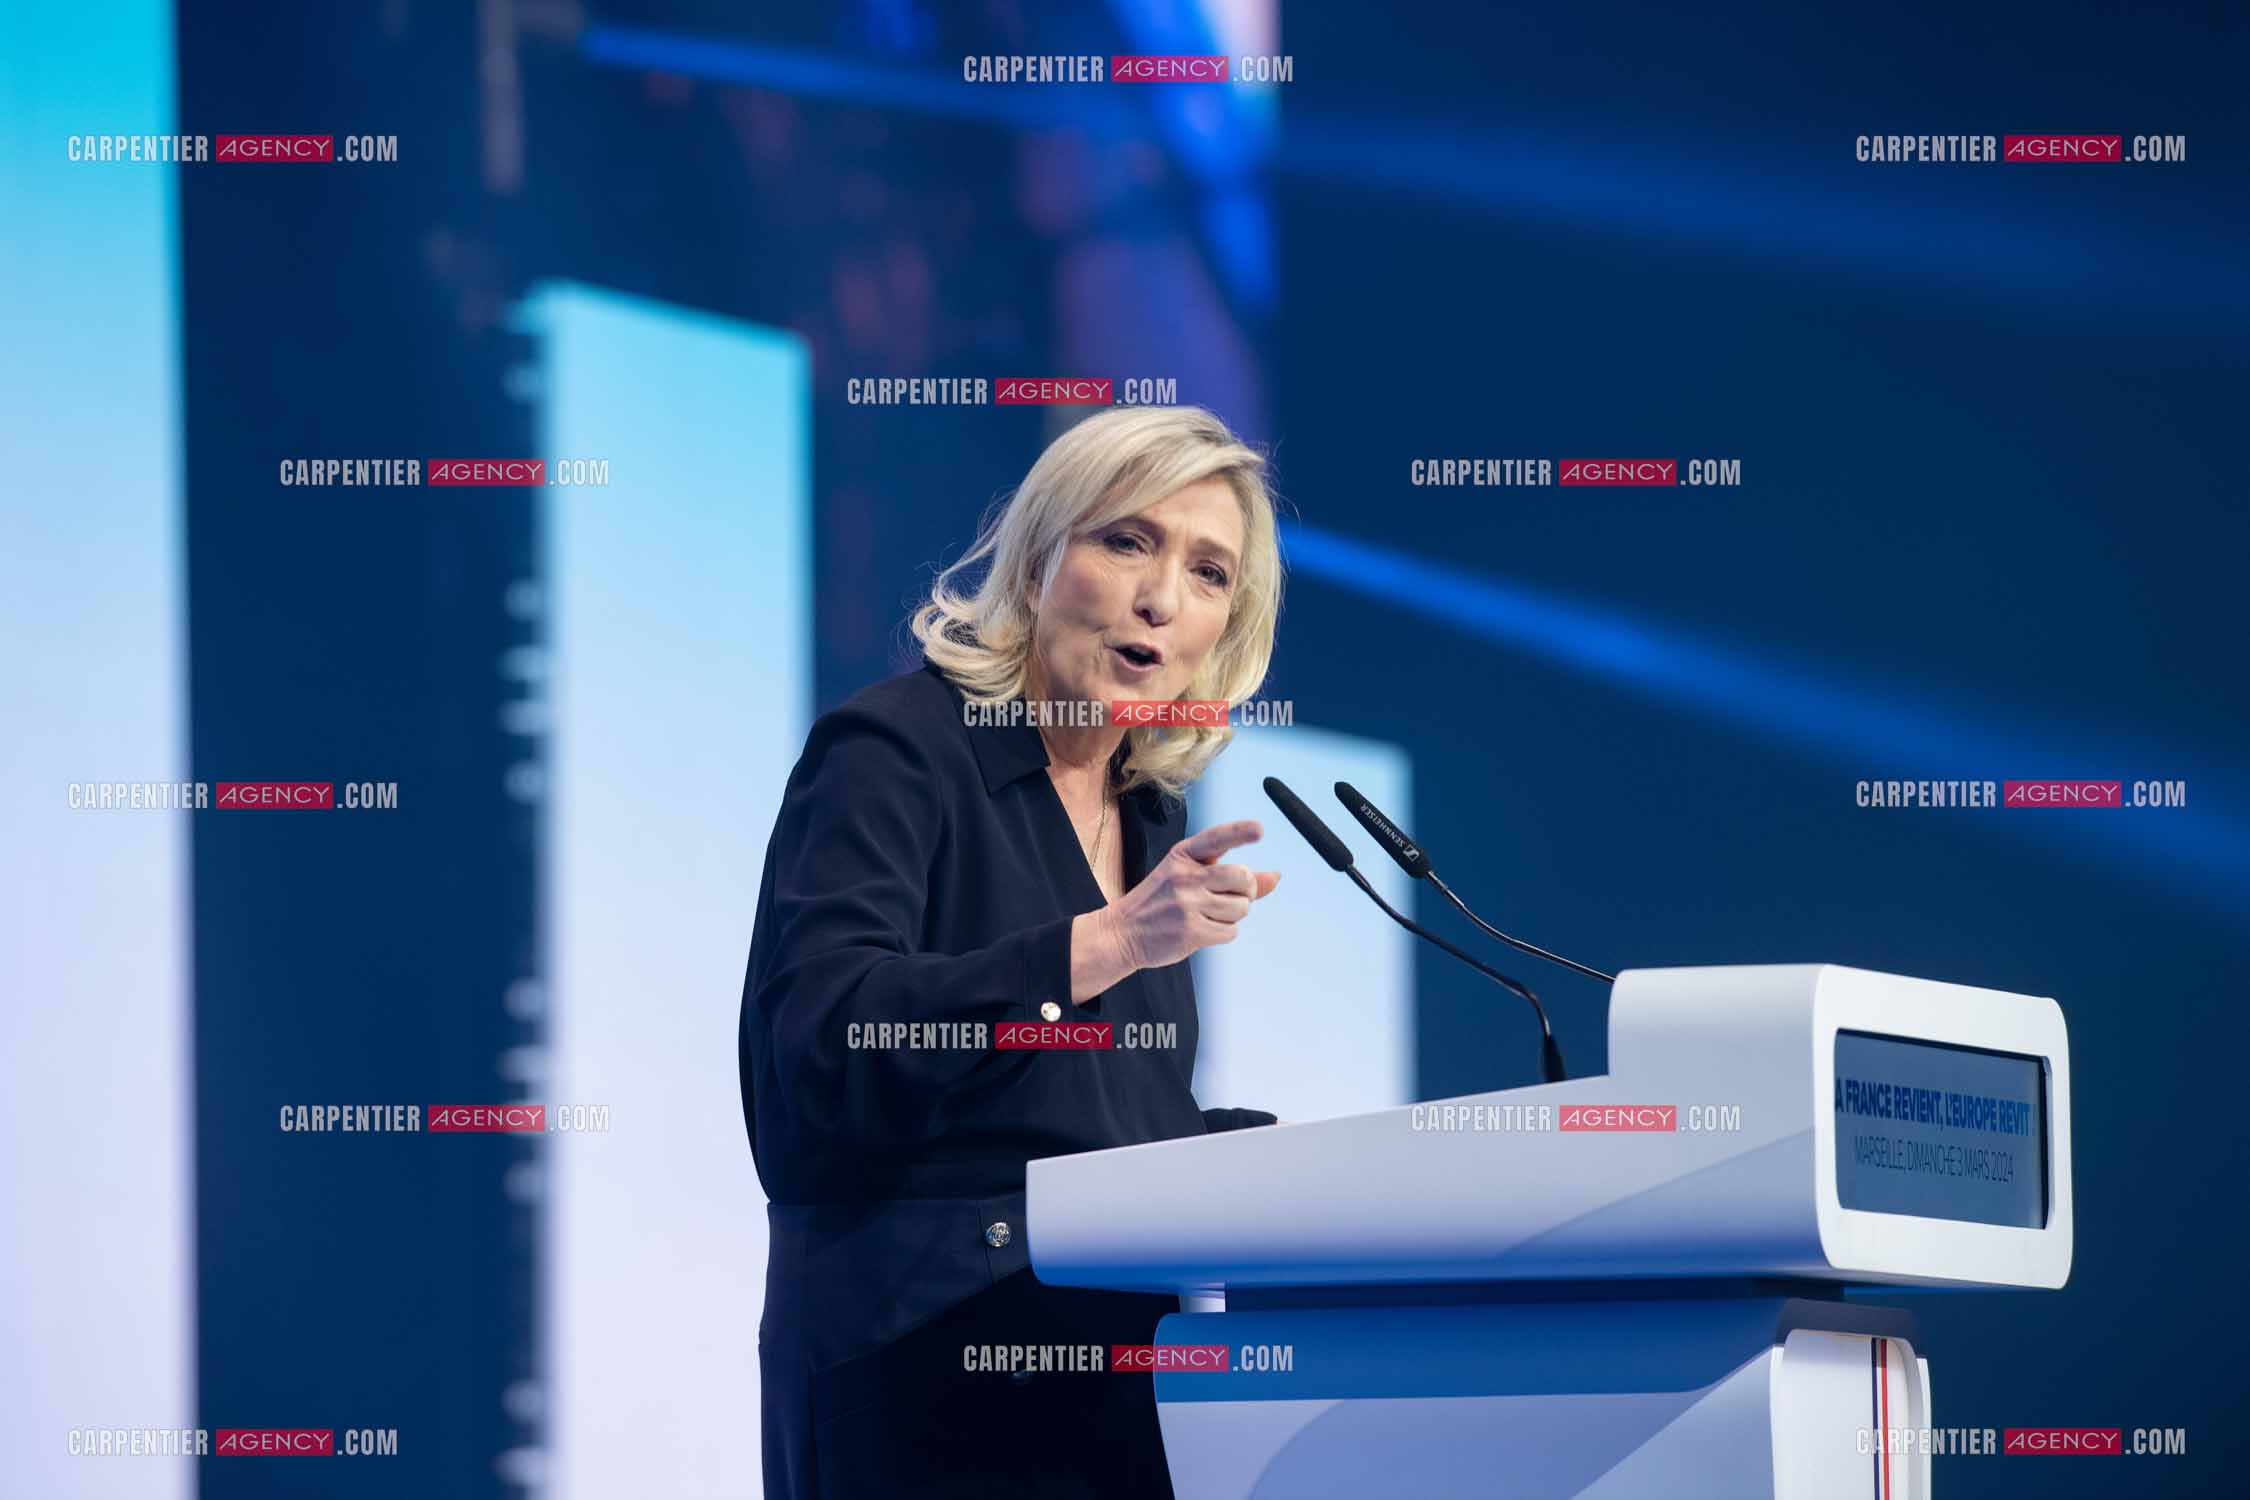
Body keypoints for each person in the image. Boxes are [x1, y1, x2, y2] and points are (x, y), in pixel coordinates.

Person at [740, 404, 1288, 1498]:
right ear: (1038, 566)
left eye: (1208, 573)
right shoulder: (896, 749)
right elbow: (824, 1050)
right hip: (919, 1374)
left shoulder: (1148, 817)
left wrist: (1263, 1164)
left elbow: (1082, 1117)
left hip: (1115, 1380)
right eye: (1126, 541)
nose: (1161, 596)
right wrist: (1107, 940)